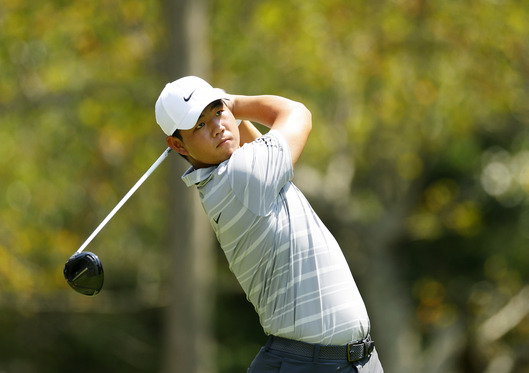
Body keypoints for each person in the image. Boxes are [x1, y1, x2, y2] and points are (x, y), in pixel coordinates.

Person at [155, 76, 383, 373]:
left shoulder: (233, 173)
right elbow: (297, 113)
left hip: (347, 361)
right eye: (199, 124)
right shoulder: (241, 176)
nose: (217, 126)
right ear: (177, 145)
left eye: (217, 112)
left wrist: (227, 112)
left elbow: (246, 141)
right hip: (312, 365)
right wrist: (234, 103)